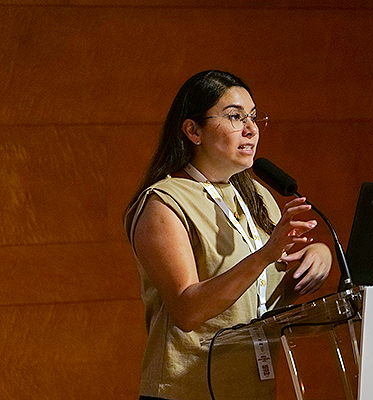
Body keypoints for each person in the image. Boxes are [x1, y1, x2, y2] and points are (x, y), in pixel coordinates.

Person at [124, 70, 332, 400]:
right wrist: (265, 254)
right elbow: (187, 310)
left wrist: (317, 258)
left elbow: (263, 300)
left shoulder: (258, 197)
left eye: (253, 117)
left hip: (253, 389)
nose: (251, 129)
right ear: (193, 130)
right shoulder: (163, 204)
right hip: (187, 392)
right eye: (235, 117)